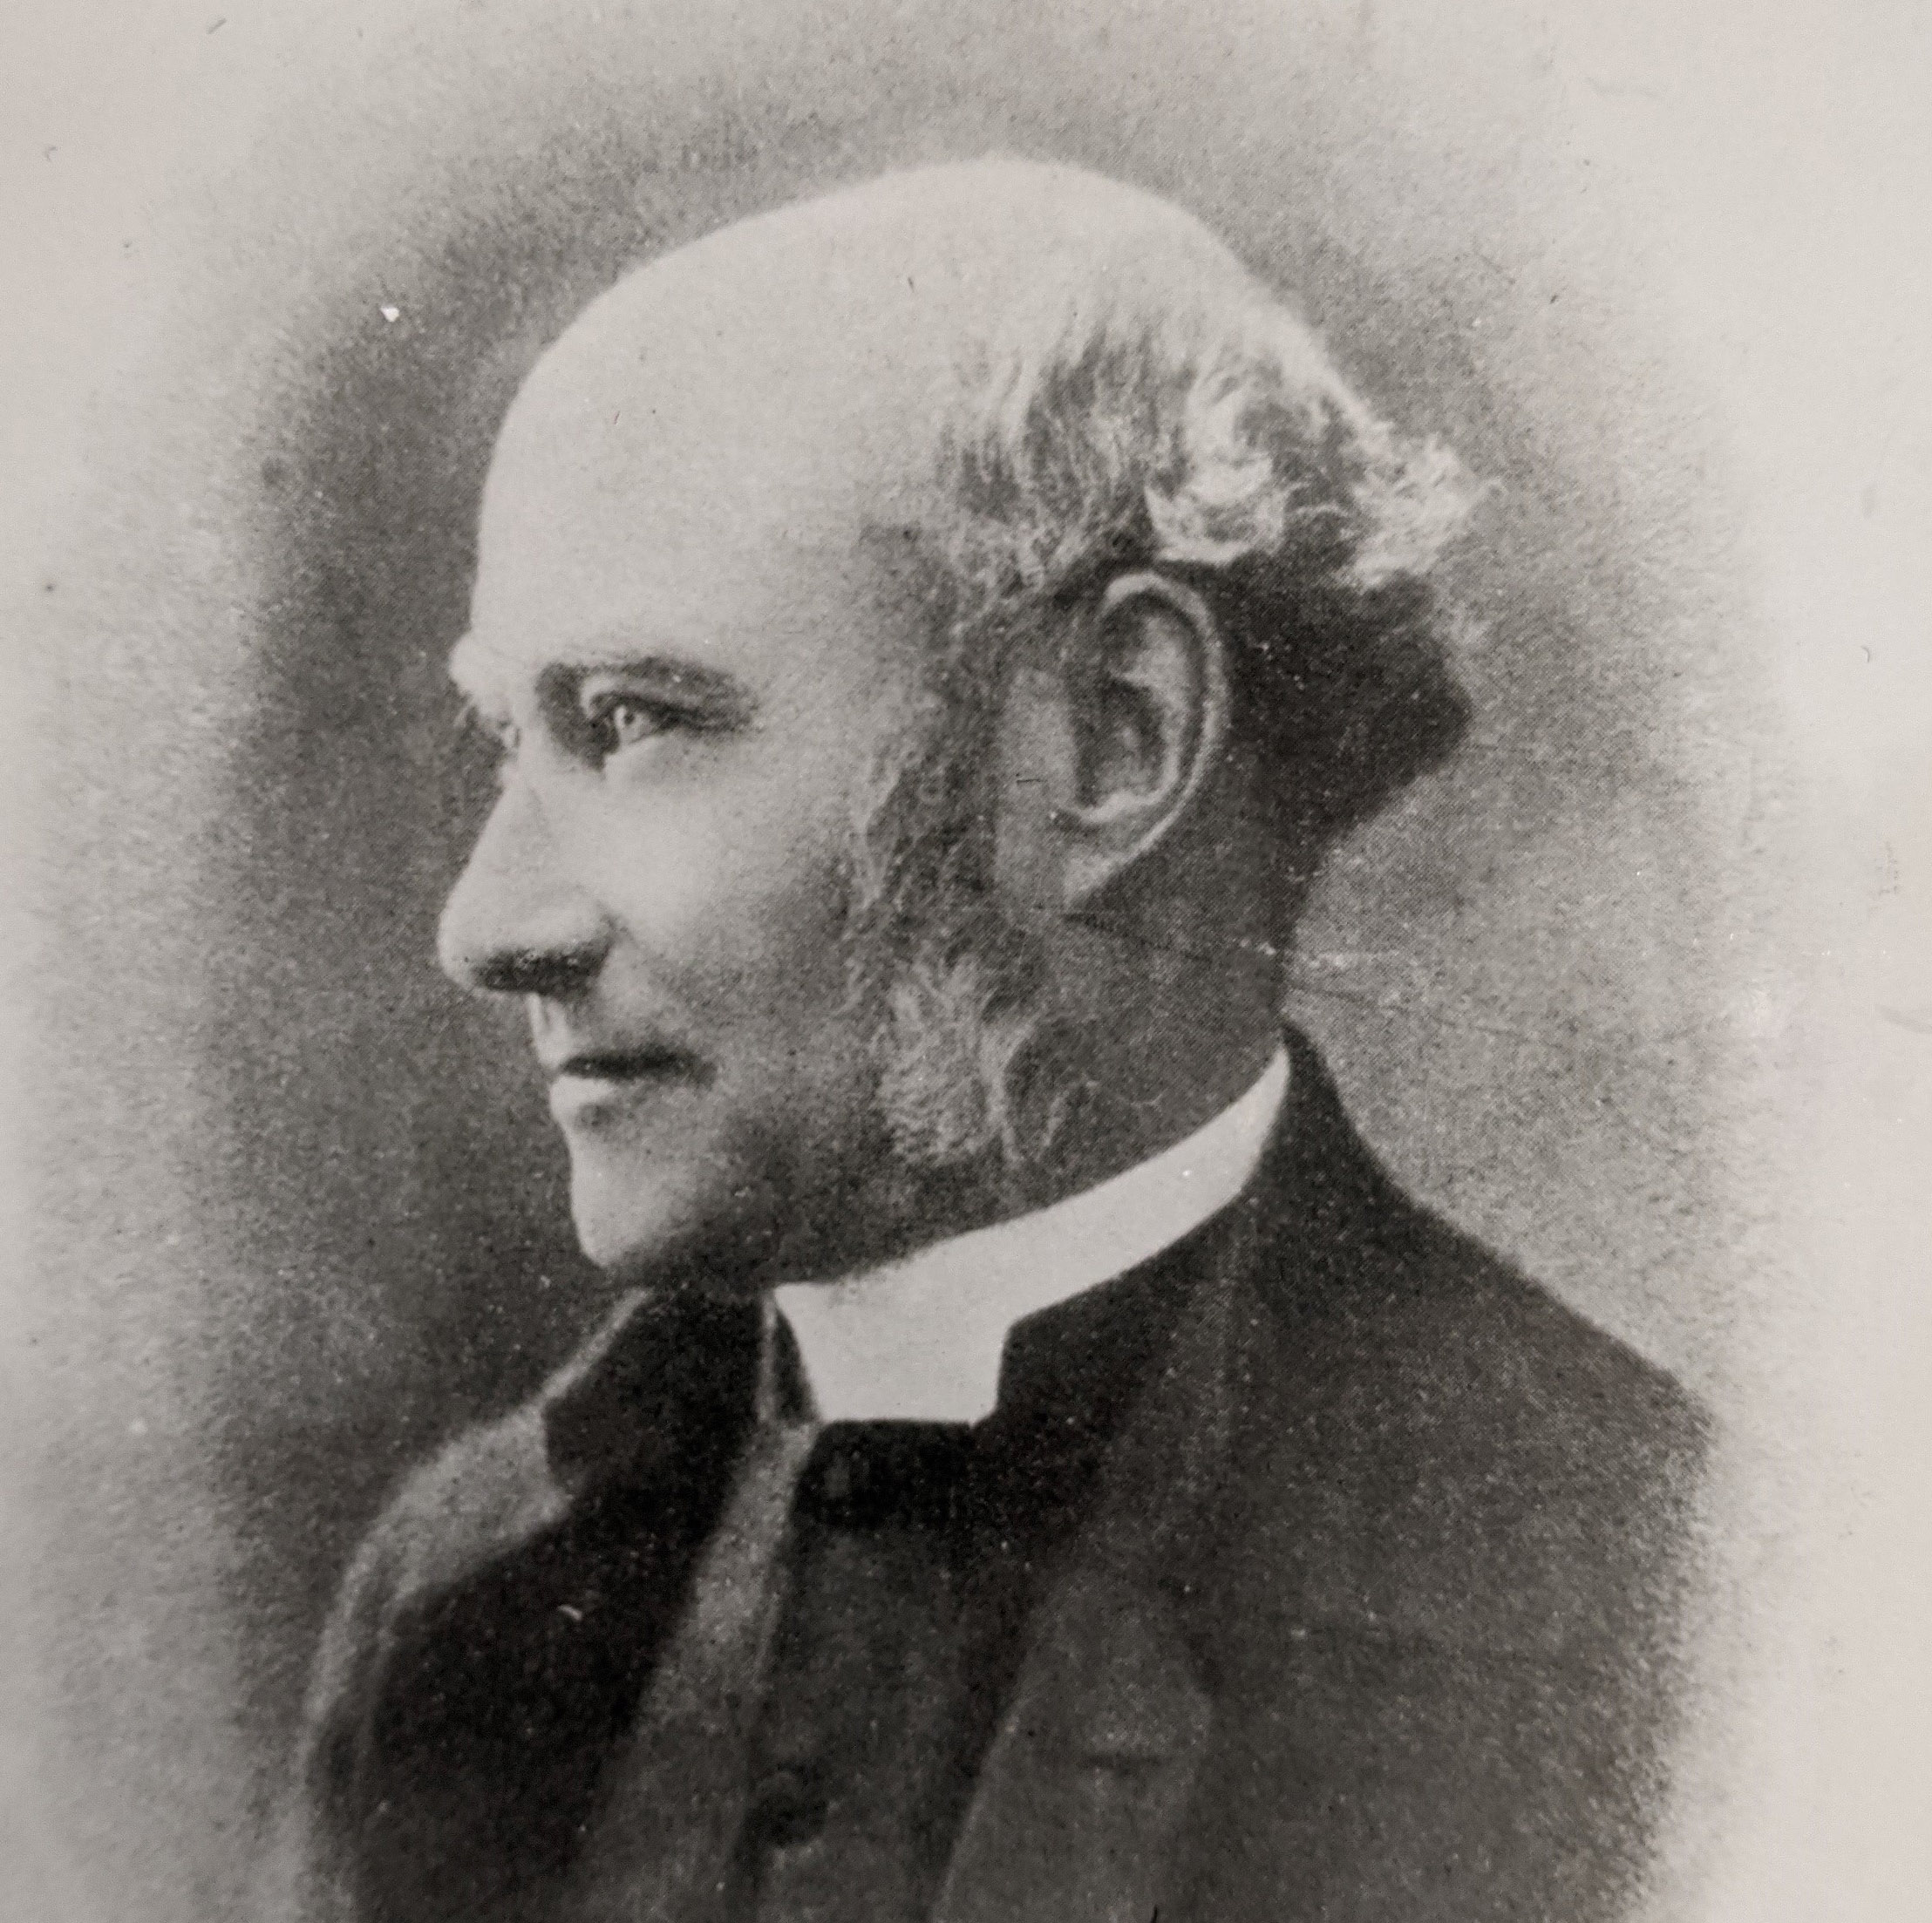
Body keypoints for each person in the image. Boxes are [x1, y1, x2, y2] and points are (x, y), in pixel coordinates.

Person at [273, 159, 1706, 1923]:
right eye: (513, 731)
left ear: (1112, 736)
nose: (487, 923)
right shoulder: (457, 1589)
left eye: (634, 719)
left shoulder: (1655, 1606)